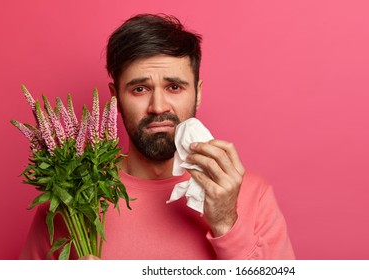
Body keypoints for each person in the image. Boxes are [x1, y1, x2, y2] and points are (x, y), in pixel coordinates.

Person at [20, 13, 295, 260]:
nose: (158, 106)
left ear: (197, 93)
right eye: (140, 89)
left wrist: (225, 221)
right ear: (115, 98)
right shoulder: (72, 196)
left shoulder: (253, 194)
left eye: (174, 86)